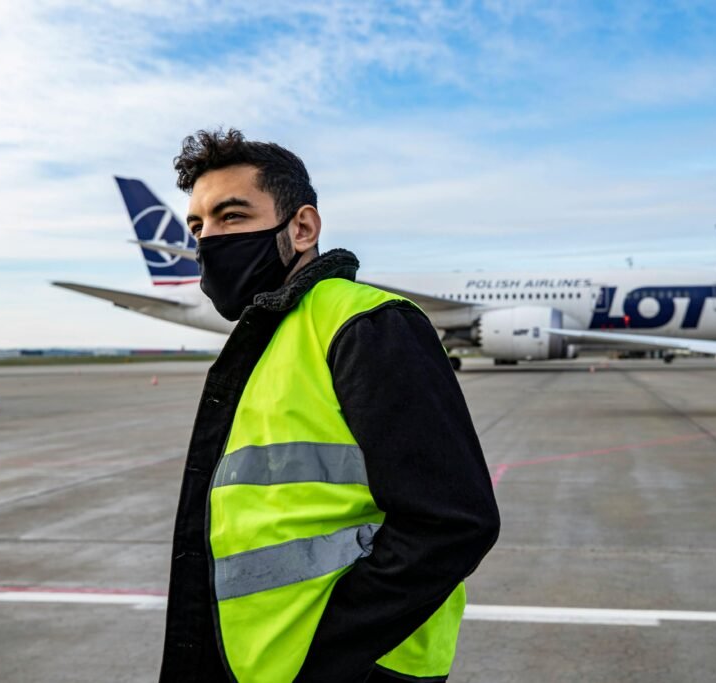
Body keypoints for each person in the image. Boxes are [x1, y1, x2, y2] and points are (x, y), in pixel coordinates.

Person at [159, 129, 500, 683]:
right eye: (199, 226)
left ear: (302, 227)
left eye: (233, 216)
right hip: (252, 662)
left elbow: (452, 523)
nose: (209, 239)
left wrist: (329, 660)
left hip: (348, 670)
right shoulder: (268, 338)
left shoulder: (365, 325)